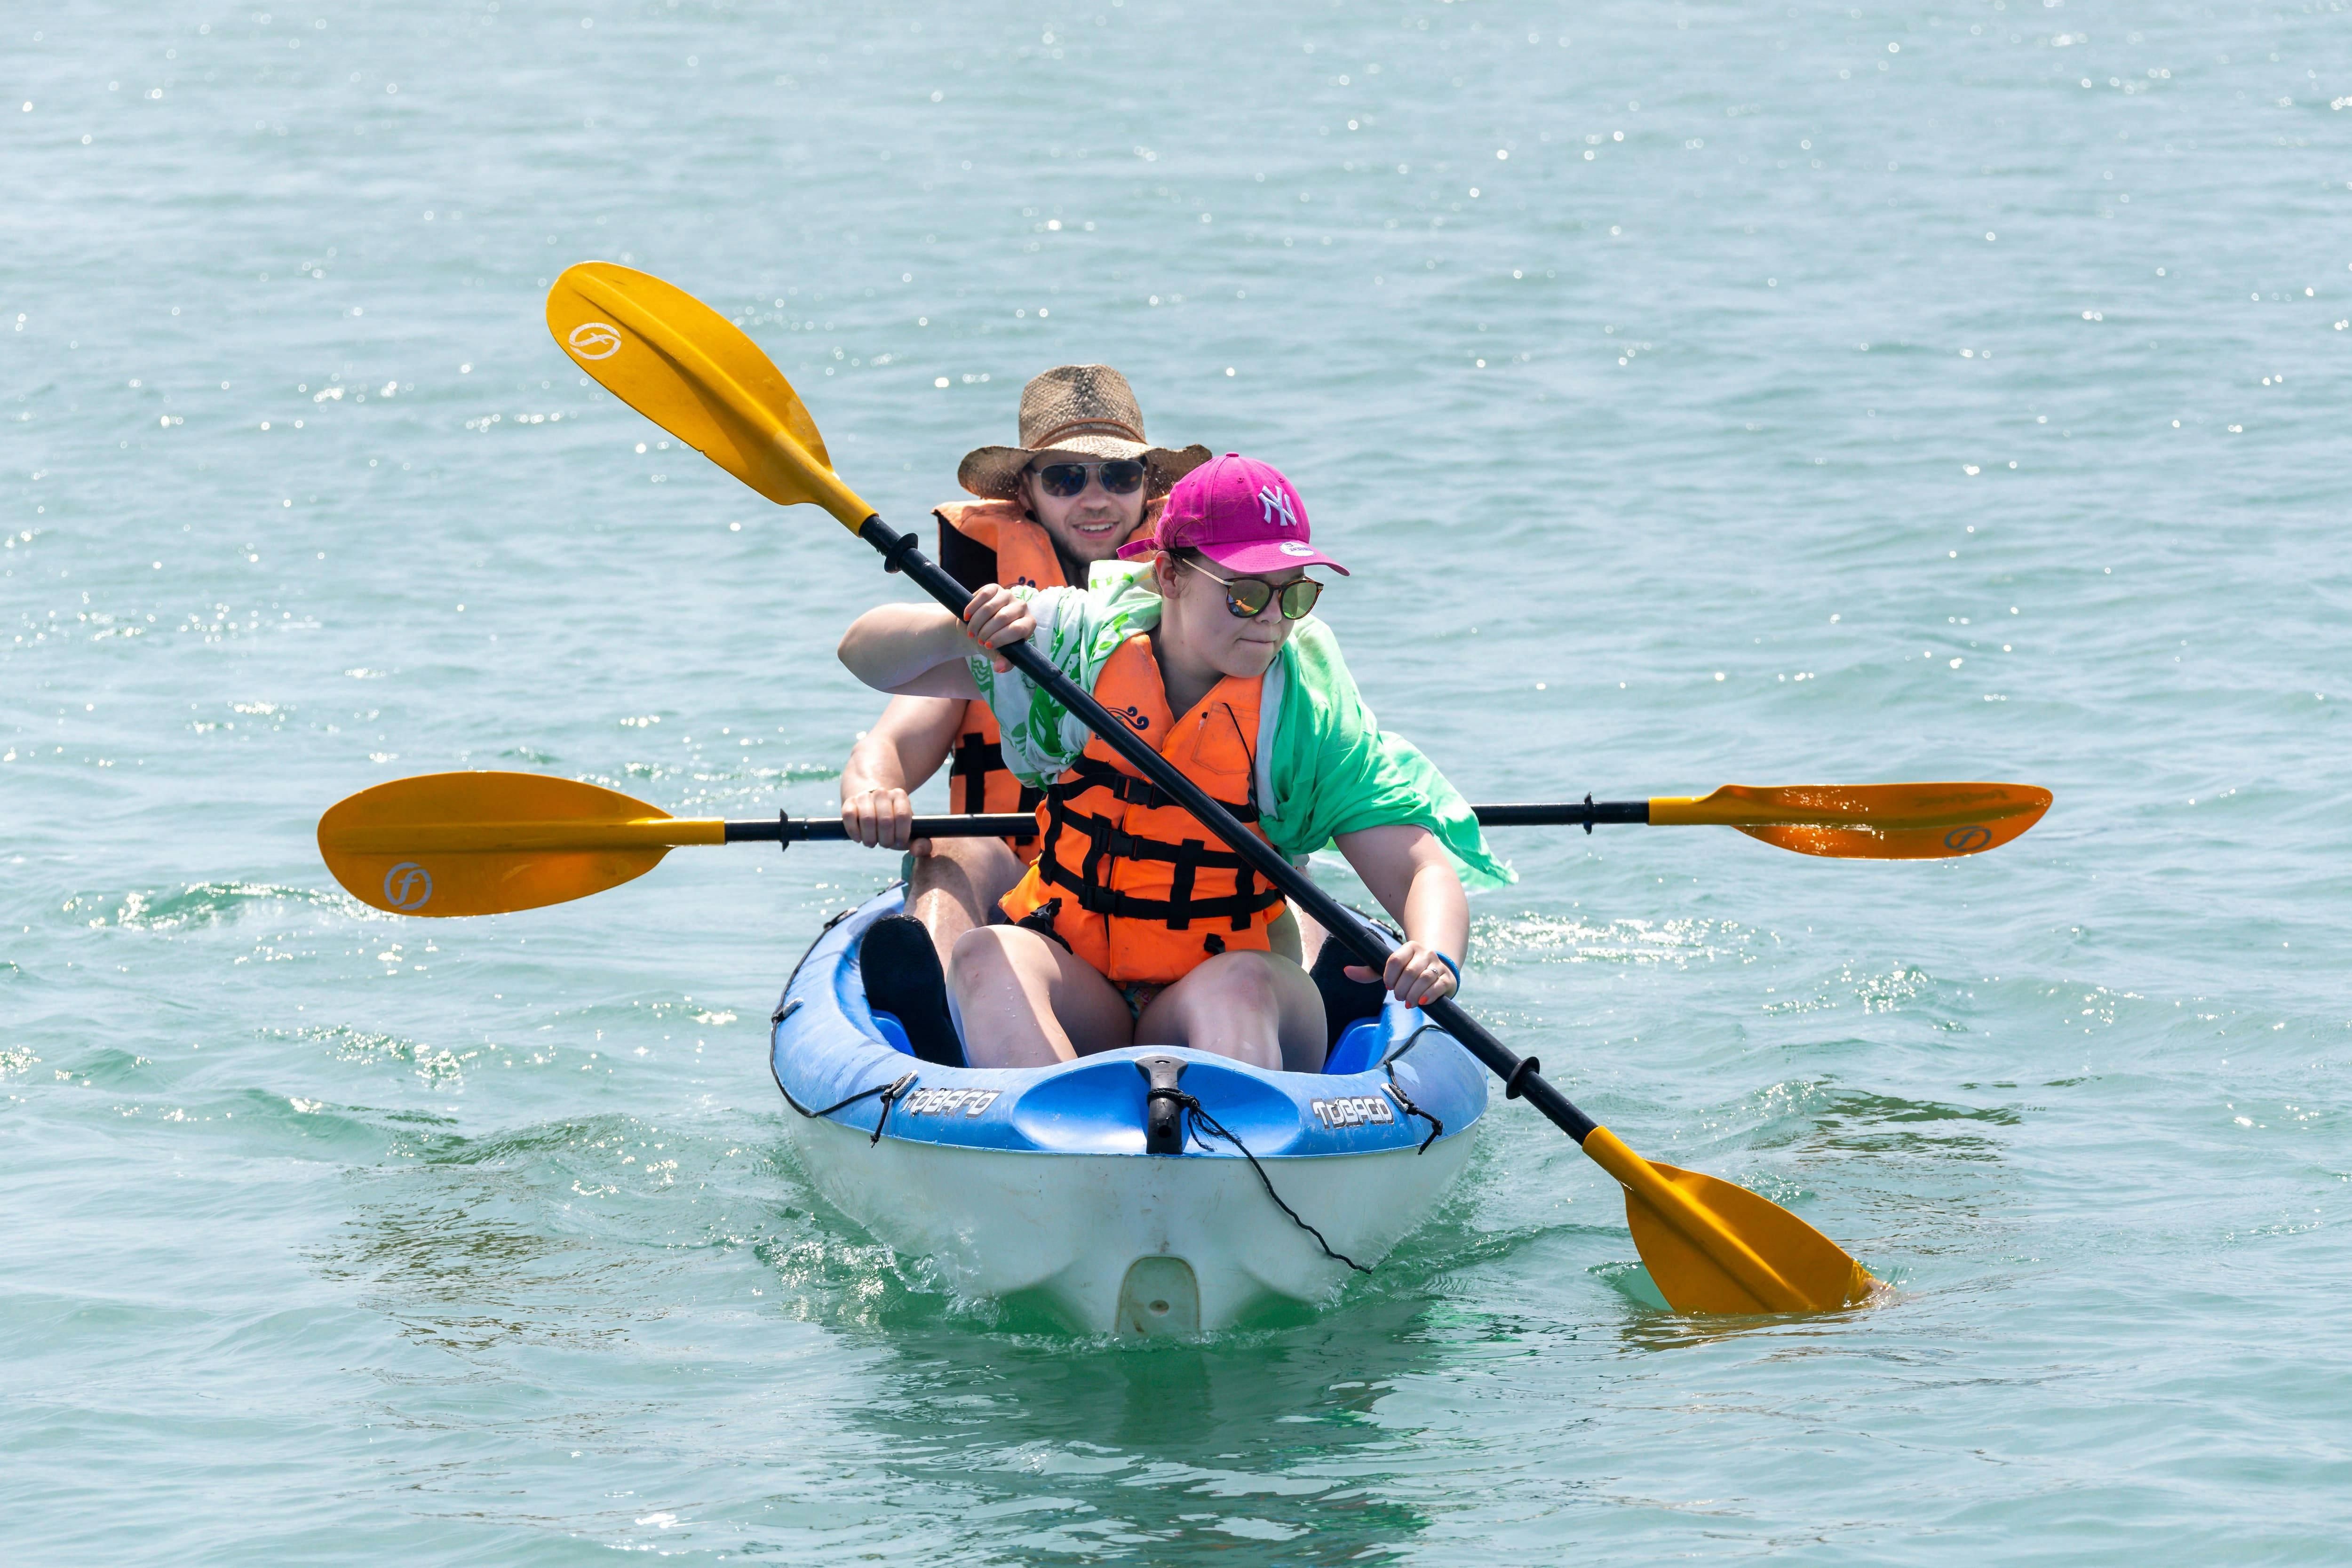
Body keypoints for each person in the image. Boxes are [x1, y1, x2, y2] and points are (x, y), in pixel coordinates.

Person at [836, 453, 1511, 1071]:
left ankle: (1233, 1145)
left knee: (1237, 987)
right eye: (1246, 594)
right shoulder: (1075, 645)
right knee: (985, 952)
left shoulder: (1304, 714)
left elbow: (1418, 863)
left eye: (1293, 594)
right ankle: (1050, 1136)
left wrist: (1436, 950)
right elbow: (861, 652)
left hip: (1229, 992)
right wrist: (958, 629)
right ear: (1168, 575)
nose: (1273, 620)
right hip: (1087, 986)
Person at [837, 366, 1208, 1064]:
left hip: (1170, 897)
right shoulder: (998, 623)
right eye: (1067, 478)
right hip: (1025, 892)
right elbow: (880, 721)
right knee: (951, 849)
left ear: (1149, 489)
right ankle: (944, 1032)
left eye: (1119, 476)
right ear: (1028, 494)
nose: (1095, 499)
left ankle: (1326, 989)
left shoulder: (1199, 616)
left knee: (1285, 876)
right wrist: (872, 793)